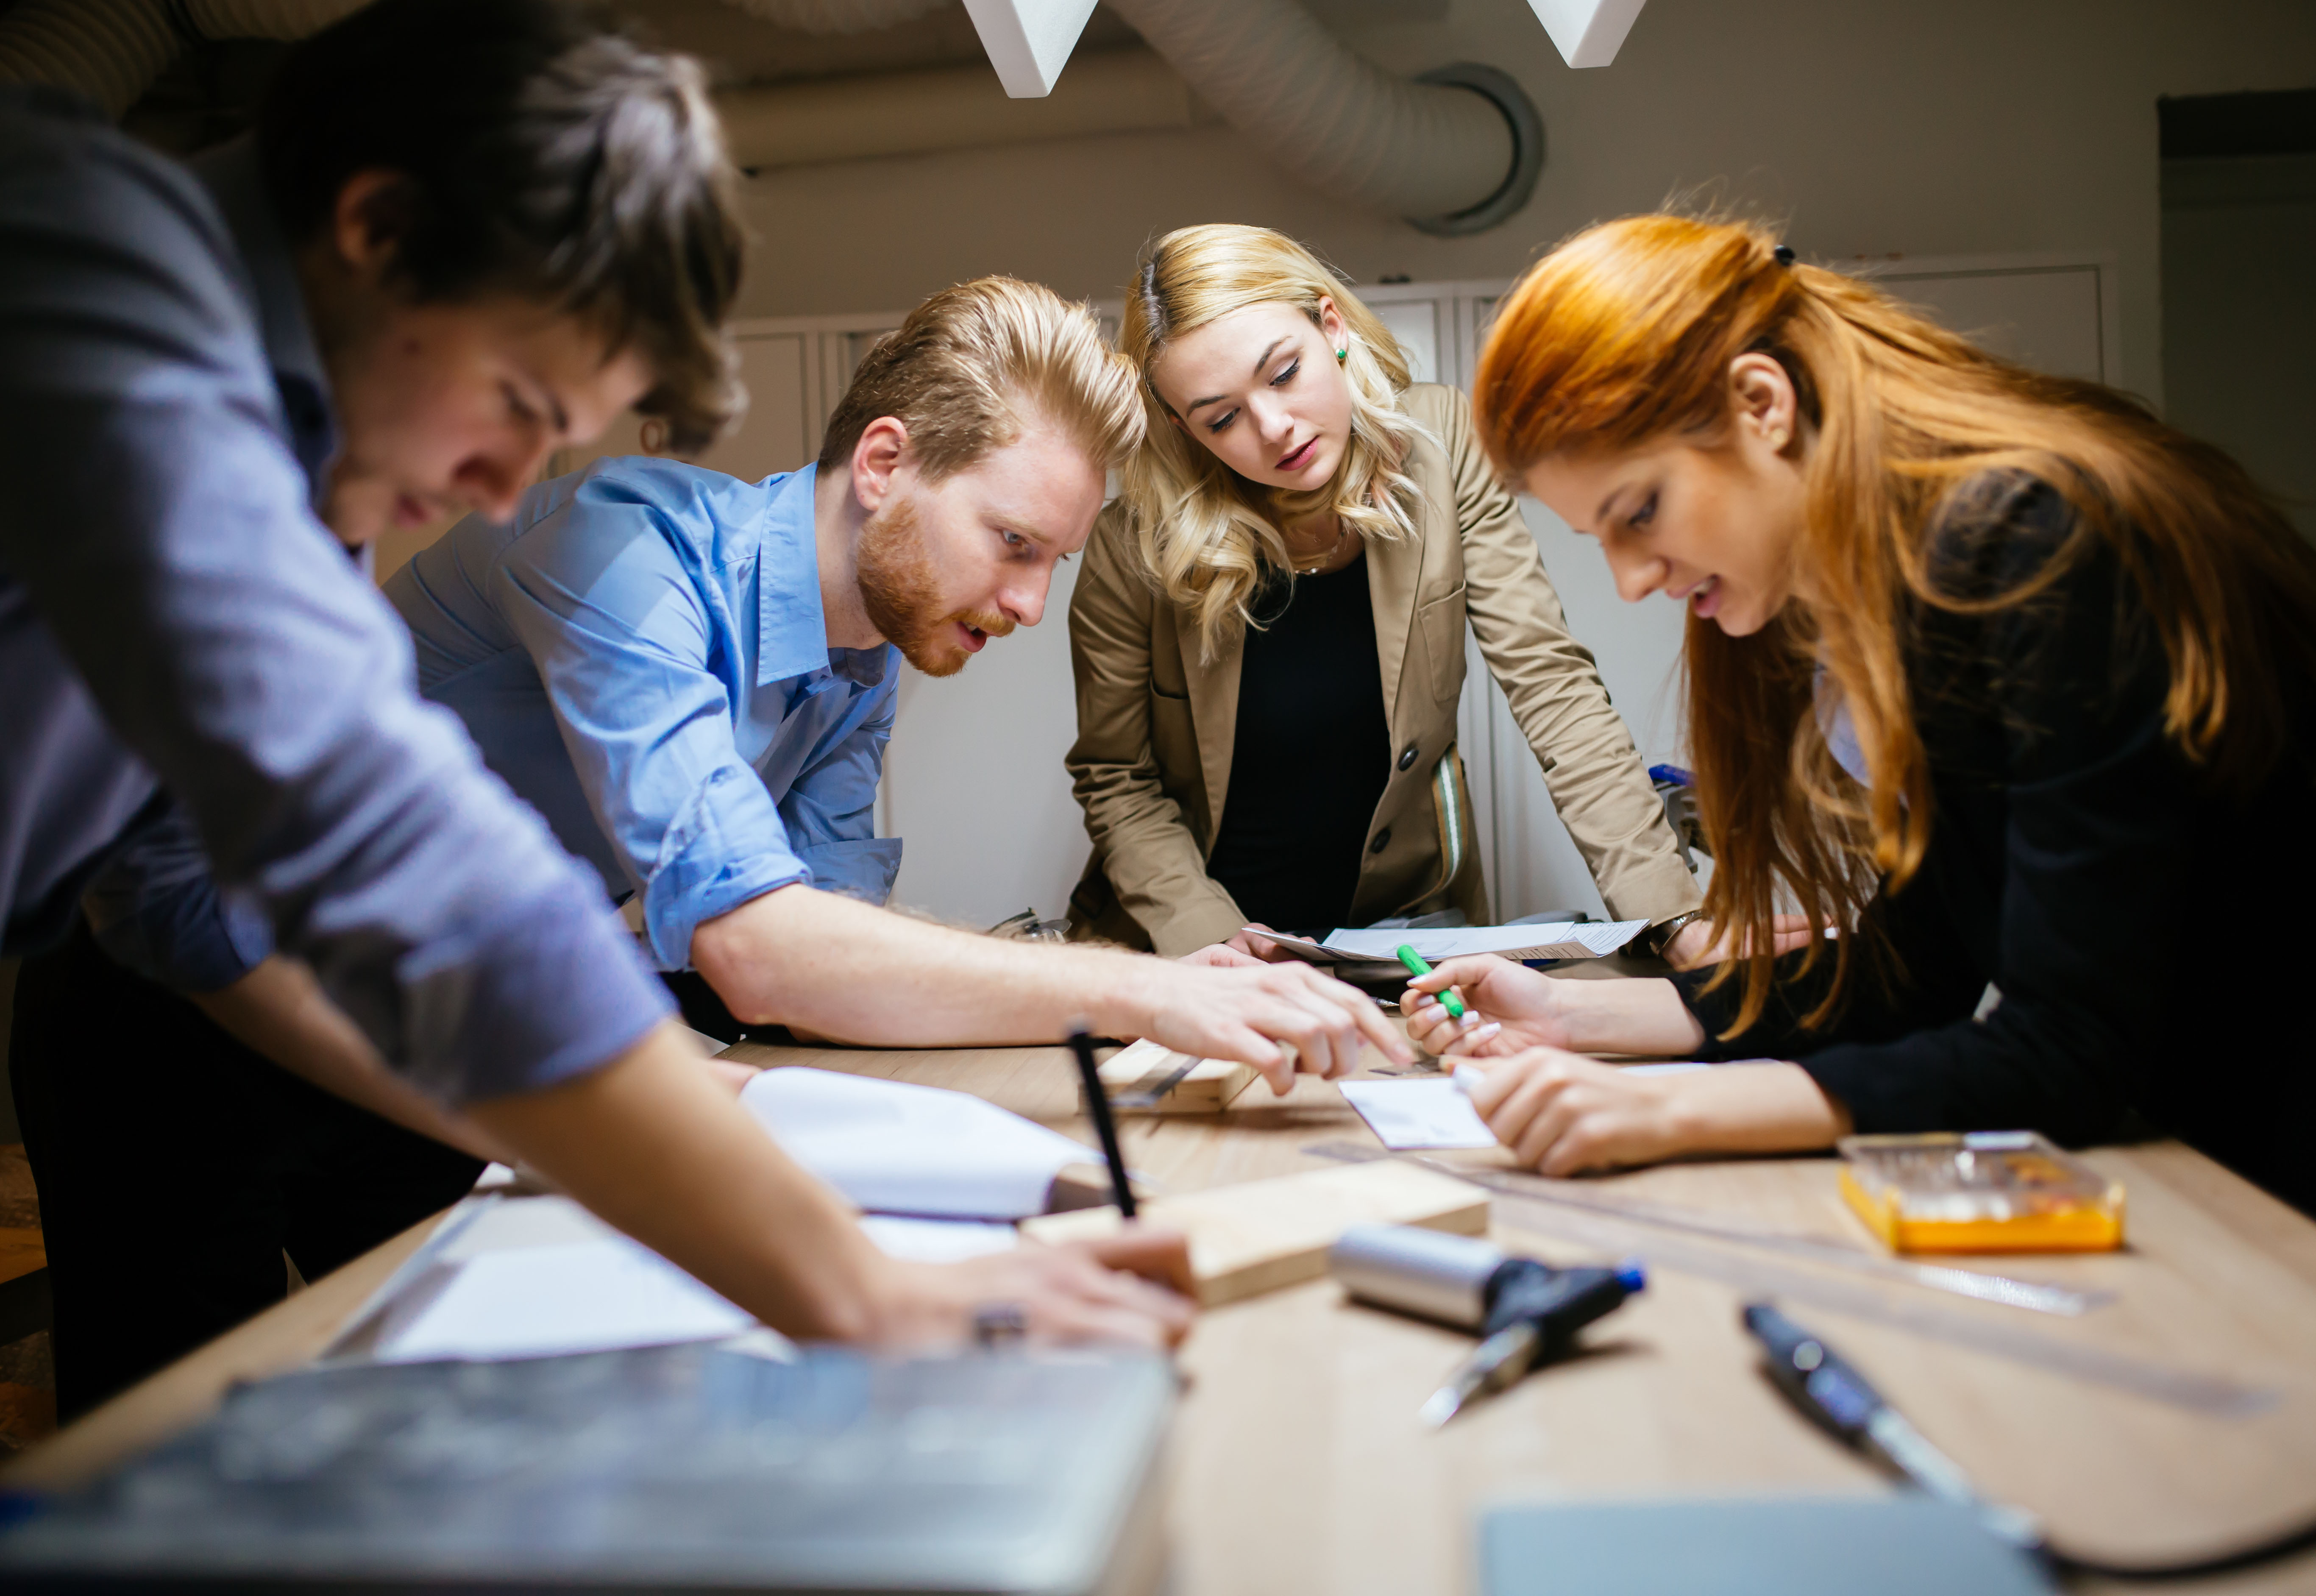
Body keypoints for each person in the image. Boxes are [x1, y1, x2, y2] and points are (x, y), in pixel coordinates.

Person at [0, 0, 1288, 1412]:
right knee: (166, 1417)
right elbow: (425, 870)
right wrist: (1120, 997)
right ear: (378, 230)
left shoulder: (322, 464)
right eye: (516, 397)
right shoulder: (93, 300)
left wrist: (850, 1267)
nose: (506, 490)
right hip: (181, 1040)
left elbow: (283, 871)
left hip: (341, 995)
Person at [1400, 213, 2316, 1214]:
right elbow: (1912, 971)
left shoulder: (2038, 545)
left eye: (1641, 511)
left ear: (1761, 404)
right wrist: (1572, 1014)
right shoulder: (1876, 597)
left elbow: (2067, 1048)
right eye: (1598, 538)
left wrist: (1663, 1110)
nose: (1629, 580)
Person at [383, 275, 1413, 1067]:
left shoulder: (863, 655)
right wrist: (1146, 990)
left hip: (485, 1005)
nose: (1030, 606)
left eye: (1050, 562)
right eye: (1012, 541)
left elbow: (826, 955)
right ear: (883, 464)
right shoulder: (619, 553)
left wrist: (1161, 992)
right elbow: (759, 951)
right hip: (320, 1000)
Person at [1065, 224, 1730, 967]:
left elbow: (1554, 689)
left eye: (1284, 373)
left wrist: (1673, 915)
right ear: (1185, 430)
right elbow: (1116, 776)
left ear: (1331, 328)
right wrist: (1210, 938)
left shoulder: (1442, 446)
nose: (1274, 427)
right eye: (1222, 418)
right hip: (1202, 954)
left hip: (1403, 938)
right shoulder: (1133, 544)